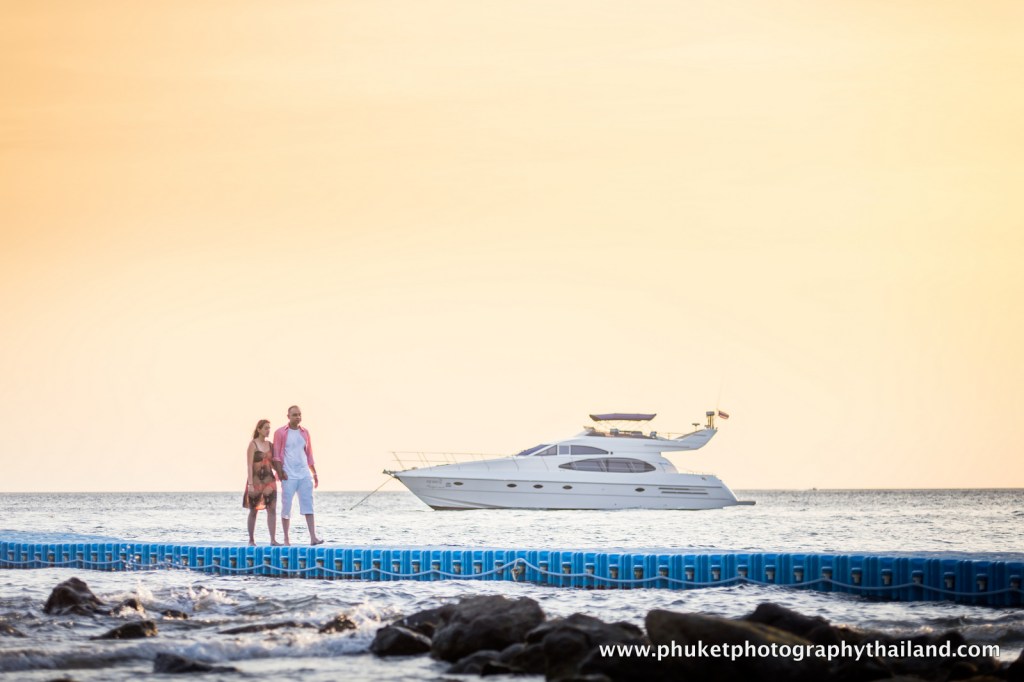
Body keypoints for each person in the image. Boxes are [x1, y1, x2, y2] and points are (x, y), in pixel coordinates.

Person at [273, 405, 323, 546]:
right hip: (288, 475)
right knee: (286, 506)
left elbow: (309, 454)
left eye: (299, 414)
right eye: (294, 415)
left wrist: (314, 473)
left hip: (304, 475)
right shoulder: (280, 433)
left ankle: (313, 538)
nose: (298, 417)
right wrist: (281, 473)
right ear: (288, 416)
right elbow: (276, 455)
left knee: (309, 505)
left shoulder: (305, 432)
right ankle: (286, 539)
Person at [243, 419, 283, 546]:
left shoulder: (270, 445)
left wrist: (282, 474)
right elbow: (249, 465)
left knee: (272, 509)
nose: (268, 430)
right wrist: (250, 484)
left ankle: (273, 540)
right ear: (259, 429)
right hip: (255, 481)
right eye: (265, 428)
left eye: (269, 428)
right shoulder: (253, 445)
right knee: (253, 510)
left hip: (269, 481)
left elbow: (274, 463)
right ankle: (251, 540)